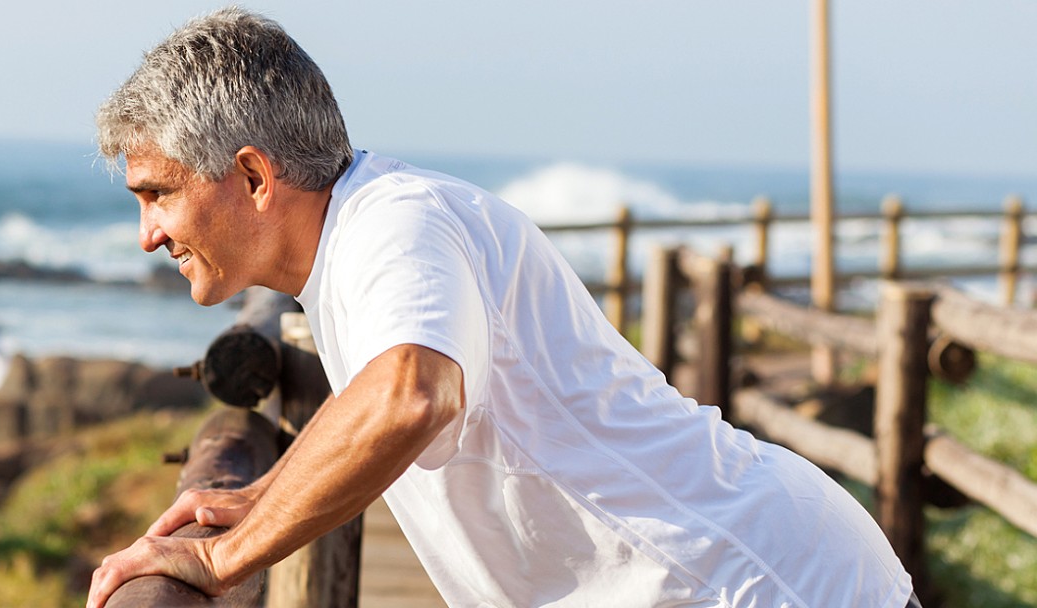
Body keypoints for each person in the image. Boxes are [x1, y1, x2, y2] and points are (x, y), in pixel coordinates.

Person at [87, 8, 919, 608]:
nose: (147, 235)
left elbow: (411, 394)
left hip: (752, 582)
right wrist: (265, 494)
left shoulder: (393, 223)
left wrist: (225, 558)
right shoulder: (358, 239)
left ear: (256, 177)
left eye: (157, 194)